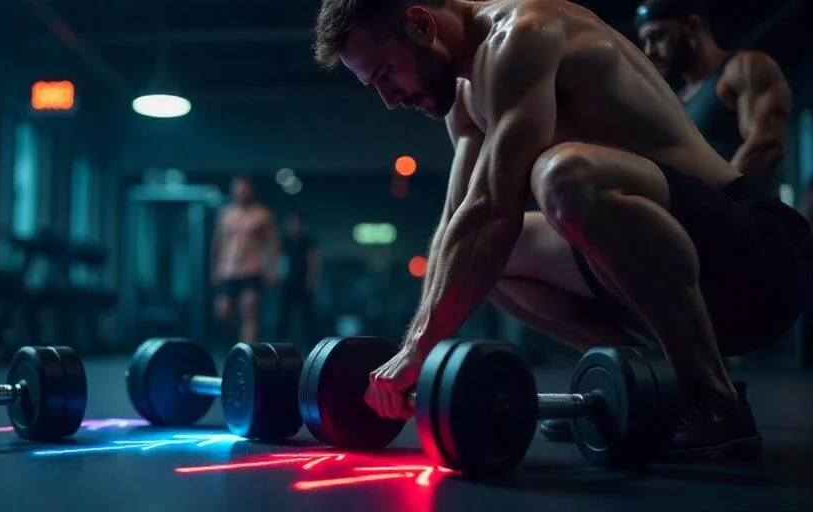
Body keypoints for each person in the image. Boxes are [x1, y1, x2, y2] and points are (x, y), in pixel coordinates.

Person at [313, 0, 813, 461]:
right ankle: (648, 382)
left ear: (421, 25)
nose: (389, 100)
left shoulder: (522, 36)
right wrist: (411, 344)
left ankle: (712, 398)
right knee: (484, 262)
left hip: (758, 264)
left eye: (384, 74)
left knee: (562, 176)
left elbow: (493, 210)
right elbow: (456, 228)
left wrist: (417, 351)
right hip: (676, 279)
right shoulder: (466, 97)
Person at [635, 0, 792, 197]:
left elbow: (765, 146)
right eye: (645, 42)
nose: (649, 51)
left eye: (658, 36)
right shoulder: (674, 101)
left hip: (751, 221)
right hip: (703, 222)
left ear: (692, 26)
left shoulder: (744, 68)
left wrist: (709, 202)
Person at [211, 177, 280, 343]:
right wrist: (213, 268)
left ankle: (247, 352)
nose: (242, 191)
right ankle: (236, 342)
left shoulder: (262, 214)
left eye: (245, 188)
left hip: (251, 269)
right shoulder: (225, 214)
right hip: (228, 269)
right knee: (223, 312)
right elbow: (217, 243)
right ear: (233, 190)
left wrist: (272, 270)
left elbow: (272, 244)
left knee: (249, 311)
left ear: (251, 190)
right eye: (238, 188)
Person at [276, 213, 321, 346]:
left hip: (303, 283)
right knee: (284, 315)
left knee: (307, 317)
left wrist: (312, 280)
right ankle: (281, 344)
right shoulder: (285, 241)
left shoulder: (308, 241)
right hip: (287, 283)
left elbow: (314, 260)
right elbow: (278, 260)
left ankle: (310, 345)